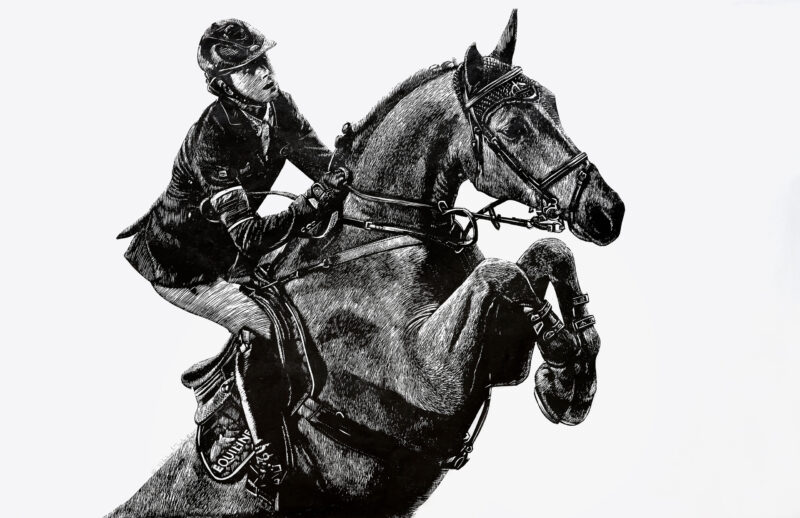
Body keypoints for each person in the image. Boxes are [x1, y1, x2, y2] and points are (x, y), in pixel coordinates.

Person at [116, 18, 347, 510]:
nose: (266, 73)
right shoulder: (211, 138)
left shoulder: (278, 106)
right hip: (184, 267)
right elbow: (249, 234)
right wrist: (310, 205)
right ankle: (266, 459)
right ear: (224, 84)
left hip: (233, 252)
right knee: (265, 327)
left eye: (264, 60)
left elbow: (325, 168)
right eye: (250, 68)